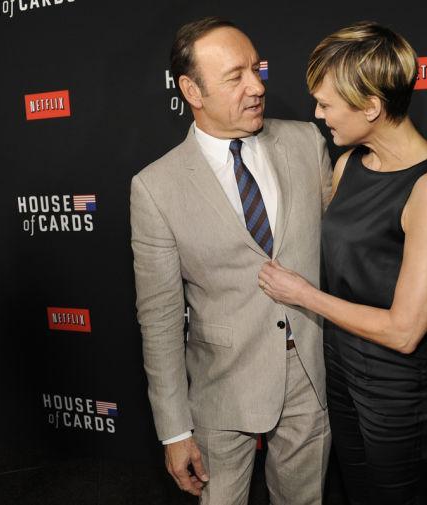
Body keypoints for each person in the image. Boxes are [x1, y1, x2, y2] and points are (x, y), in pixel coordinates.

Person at [258, 22, 427, 505]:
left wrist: (303, 295)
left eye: (327, 104)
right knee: (357, 492)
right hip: (340, 365)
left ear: (371, 106)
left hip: (397, 385)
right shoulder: (348, 162)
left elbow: (404, 331)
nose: (317, 113)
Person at [130, 17, 332, 505]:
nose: (257, 86)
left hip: (310, 376)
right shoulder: (155, 187)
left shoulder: (307, 143)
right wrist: (174, 431)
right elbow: (158, 319)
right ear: (191, 91)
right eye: (234, 76)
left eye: (255, 69)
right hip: (220, 392)